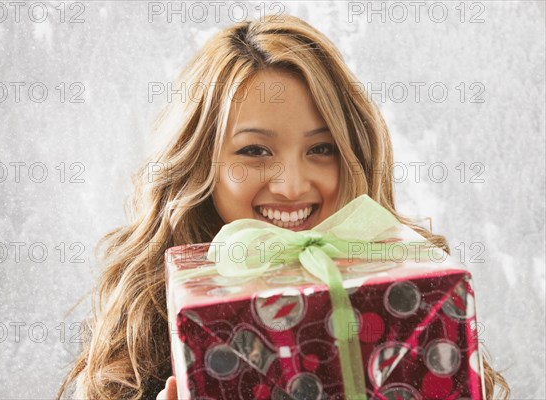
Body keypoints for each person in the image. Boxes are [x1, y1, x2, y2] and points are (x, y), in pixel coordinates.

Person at [56, 14, 510, 400]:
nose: (291, 186)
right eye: (254, 151)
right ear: (200, 164)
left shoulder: (418, 294)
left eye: (322, 149)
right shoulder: (142, 328)